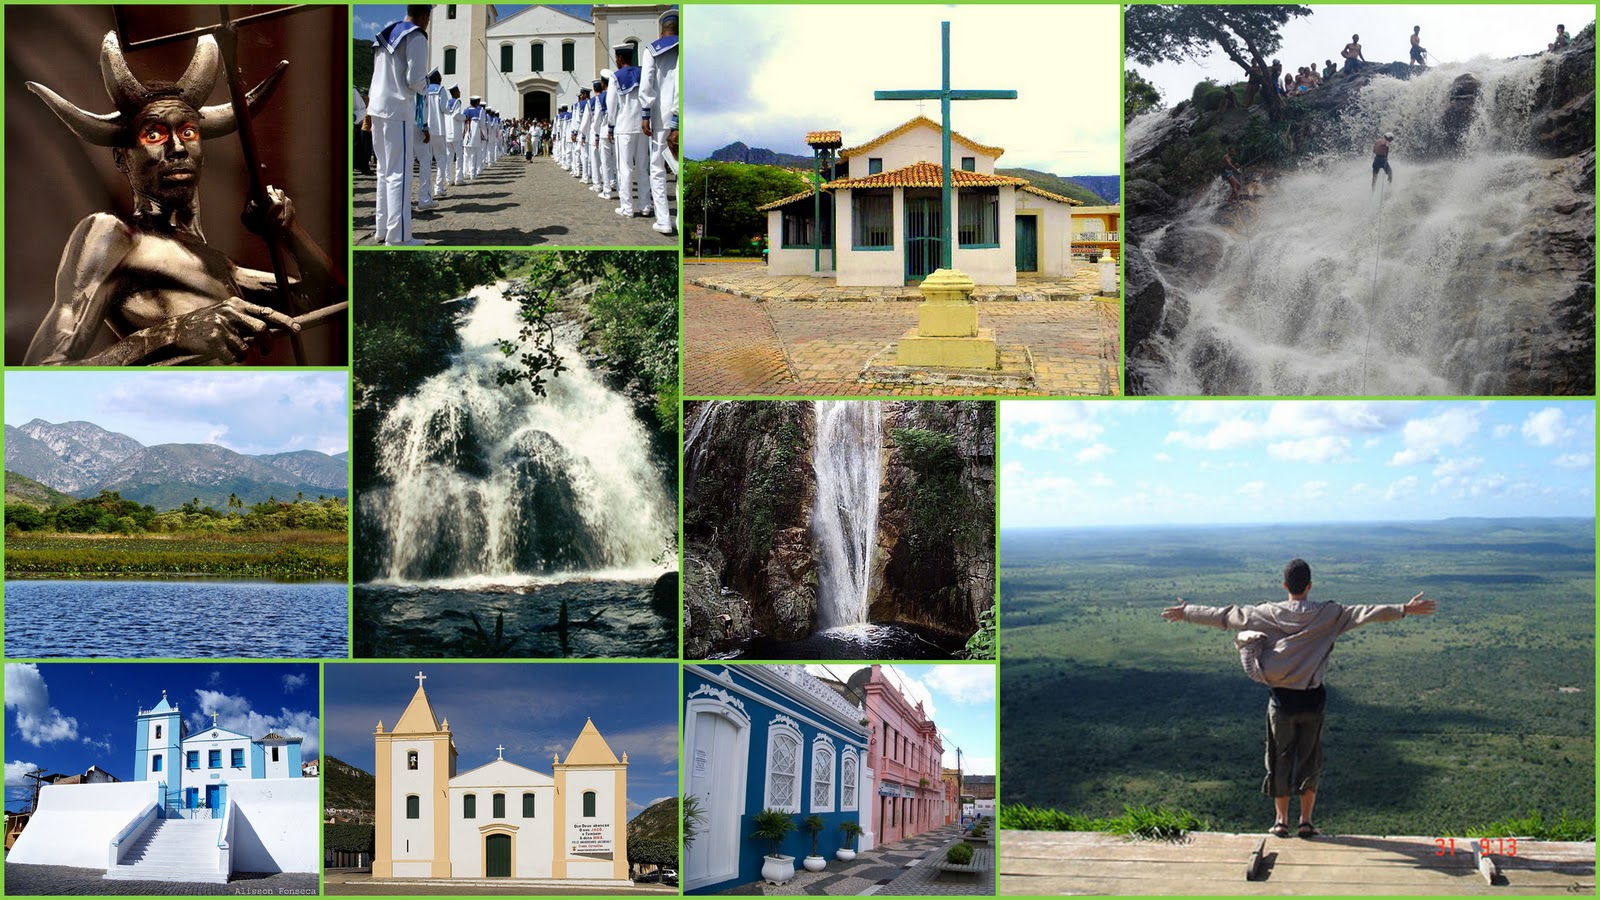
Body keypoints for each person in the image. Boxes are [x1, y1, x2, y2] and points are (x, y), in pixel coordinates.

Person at [22, 28, 337, 364]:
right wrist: (168, 334)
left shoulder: (219, 265)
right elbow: (42, 369)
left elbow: (333, 304)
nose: (177, 148)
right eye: (154, 133)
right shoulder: (111, 235)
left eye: (188, 131)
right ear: (121, 157)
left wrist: (289, 231)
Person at [1162, 559, 1437, 839]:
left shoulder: (1264, 613)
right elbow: (1367, 613)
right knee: (1309, 758)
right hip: (1313, 700)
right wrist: (1405, 609)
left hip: (1281, 702)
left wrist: (1186, 612)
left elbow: (1224, 616)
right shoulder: (1329, 614)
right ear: (1309, 585)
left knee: (1279, 758)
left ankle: (1281, 822)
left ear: (1284, 585)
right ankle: (1305, 822)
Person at [368, 5, 430, 246]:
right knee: (399, 174)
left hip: (377, 107)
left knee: (384, 172)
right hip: (397, 109)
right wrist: (425, 87)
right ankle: (399, 236)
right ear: (425, 16)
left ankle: (382, 229)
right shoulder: (415, 35)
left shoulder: (385, 35)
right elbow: (414, 79)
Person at [640, 7, 679, 234]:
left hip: (659, 118)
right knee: (680, 171)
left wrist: (645, 114)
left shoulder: (652, 49)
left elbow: (647, 85)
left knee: (657, 168)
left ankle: (663, 220)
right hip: (679, 117)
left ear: (662, 28)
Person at [416, 67, 445, 208]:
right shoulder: (439, 90)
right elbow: (444, 108)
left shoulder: (427, 90)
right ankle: (435, 190)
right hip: (434, 128)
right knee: (436, 159)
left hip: (419, 126)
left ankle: (403, 201)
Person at [444, 84, 464, 186]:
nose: (460, 92)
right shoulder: (457, 102)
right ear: (455, 92)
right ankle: (458, 178)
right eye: (458, 91)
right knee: (459, 156)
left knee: (449, 156)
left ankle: (449, 179)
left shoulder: (447, 102)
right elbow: (456, 115)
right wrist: (464, 117)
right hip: (456, 132)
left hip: (447, 132)